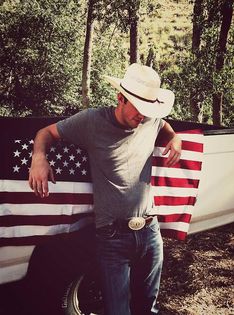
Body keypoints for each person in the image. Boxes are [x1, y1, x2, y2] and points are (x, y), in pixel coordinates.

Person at [29, 63, 182, 315]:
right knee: (118, 311)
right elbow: (45, 132)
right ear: (120, 97)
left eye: (148, 109)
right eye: (139, 108)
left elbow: (164, 127)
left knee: (148, 307)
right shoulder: (91, 121)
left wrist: (175, 139)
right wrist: (38, 158)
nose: (142, 116)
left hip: (150, 232)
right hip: (112, 238)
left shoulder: (151, 119)